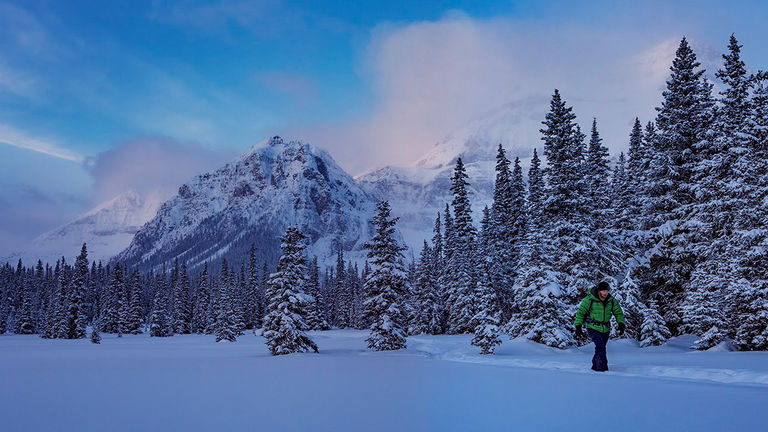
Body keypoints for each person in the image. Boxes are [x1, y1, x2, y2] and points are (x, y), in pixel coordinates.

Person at [574, 280, 625, 372]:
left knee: (600, 348)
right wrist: (578, 326)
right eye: (603, 291)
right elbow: (580, 313)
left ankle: (594, 366)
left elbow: (618, 313)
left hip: (605, 328)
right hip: (592, 327)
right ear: (599, 291)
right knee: (601, 347)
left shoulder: (611, 301)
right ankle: (602, 369)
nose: (605, 293)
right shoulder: (589, 300)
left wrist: (621, 324)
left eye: (607, 291)